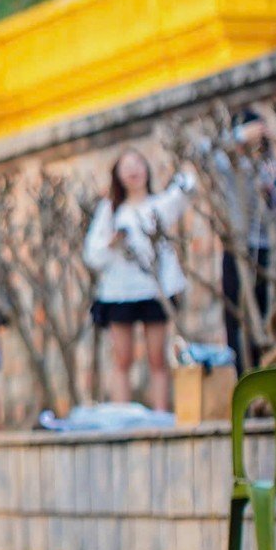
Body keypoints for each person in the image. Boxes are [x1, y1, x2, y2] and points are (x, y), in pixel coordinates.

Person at [84, 149, 194, 411]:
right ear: (118, 175)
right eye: (126, 165)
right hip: (119, 292)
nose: (133, 170)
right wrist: (111, 244)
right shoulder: (109, 211)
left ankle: (160, 416)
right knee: (122, 358)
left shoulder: (159, 206)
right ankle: (122, 416)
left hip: (154, 290)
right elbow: (91, 253)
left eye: (137, 163)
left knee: (158, 357)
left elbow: (188, 187)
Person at [210, 110, 276, 369]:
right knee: (239, 320)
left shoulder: (271, 165)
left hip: (269, 250)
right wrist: (240, 135)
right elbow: (208, 150)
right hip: (238, 251)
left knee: (273, 317)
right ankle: (245, 381)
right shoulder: (229, 164)